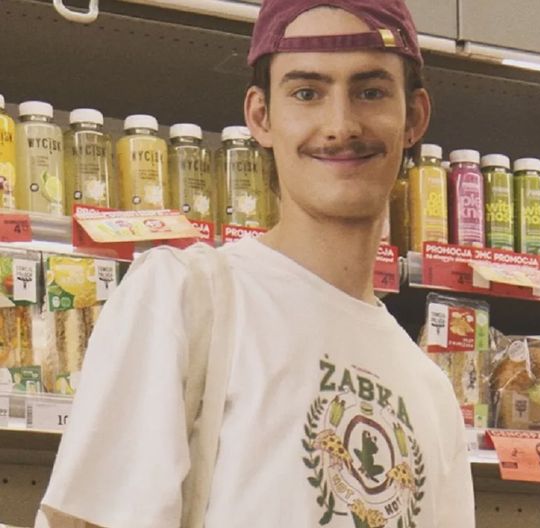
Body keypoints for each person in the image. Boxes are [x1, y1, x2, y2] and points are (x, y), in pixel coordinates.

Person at [35, 1, 475, 526]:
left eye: (371, 92)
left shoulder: (431, 393)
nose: (340, 125)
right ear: (261, 117)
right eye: (307, 93)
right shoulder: (185, 297)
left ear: (414, 118)